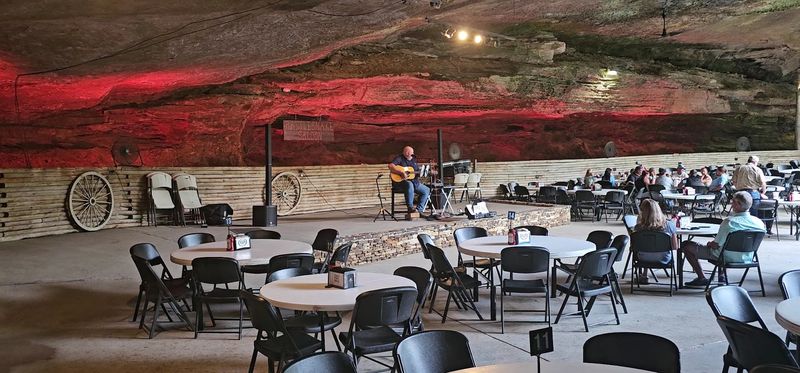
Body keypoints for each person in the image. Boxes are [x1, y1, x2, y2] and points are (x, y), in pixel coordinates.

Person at [681, 191, 766, 287]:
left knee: (687, 246)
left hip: (725, 257)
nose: (731, 204)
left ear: (738, 204)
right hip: (748, 257)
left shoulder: (729, 222)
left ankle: (701, 277)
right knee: (726, 247)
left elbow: (716, 244)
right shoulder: (759, 223)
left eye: (733, 201)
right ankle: (722, 276)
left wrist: (709, 244)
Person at [633, 199, 678, 284]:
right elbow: (675, 247)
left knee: (647, 246)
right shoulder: (669, 225)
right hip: (663, 258)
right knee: (652, 246)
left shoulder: (638, 228)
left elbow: (634, 247)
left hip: (643, 258)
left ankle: (644, 275)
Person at [389, 146, 431, 218]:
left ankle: (419, 210)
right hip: (401, 183)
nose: (409, 154)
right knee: (409, 184)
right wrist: (401, 173)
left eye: (411, 153)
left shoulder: (413, 160)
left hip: (414, 182)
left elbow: (415, 173)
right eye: (408, 152)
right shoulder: (399, 158)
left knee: (426, 190)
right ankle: (410, 208)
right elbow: (390, 166)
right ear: (404, 152)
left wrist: (421, 173)